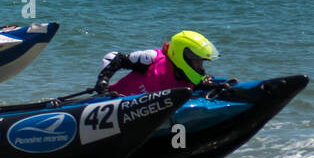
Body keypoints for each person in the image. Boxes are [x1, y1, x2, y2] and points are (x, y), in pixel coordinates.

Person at [94, 30, 225, 96]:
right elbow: (114, 58)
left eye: (201, 62)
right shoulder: (153, 59)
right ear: (183, 56)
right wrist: (103, 81)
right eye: (197, 61)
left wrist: (211, 87)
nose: (200, 67)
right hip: (112, 103)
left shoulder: (193, 80)